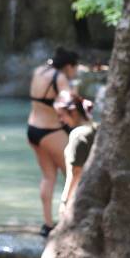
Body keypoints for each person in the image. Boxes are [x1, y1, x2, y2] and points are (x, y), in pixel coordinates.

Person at [26, 47, 79, 237]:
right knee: (73, 176)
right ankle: (70, 221)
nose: (76, 71)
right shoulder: (60, 78)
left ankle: (47, 224)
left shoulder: (39, 71)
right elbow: (68, 105)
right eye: (75, 68)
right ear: (68, 66)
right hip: (51, 131)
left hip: (32, 129)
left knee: (48, 177)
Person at [54, 90, 96, 213]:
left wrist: (65, 201)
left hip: (81, 197)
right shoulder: (95, 128)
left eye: (61, 115)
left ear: (73, 111)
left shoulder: (78, 135)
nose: (61, 120)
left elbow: (76, 172)